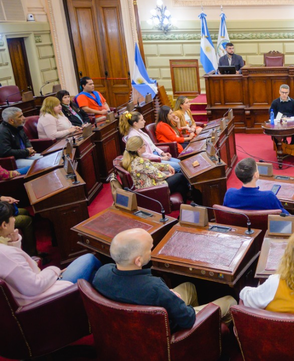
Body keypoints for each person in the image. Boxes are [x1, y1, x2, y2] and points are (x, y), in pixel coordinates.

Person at [93, 228, 236, 331]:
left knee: (189, 287)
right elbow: (188, 319)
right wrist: (175, 300)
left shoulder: (101, 274)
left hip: (126, 328)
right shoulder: (155, 288)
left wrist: (171, 298)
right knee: (230, 301)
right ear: (138, 261)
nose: (153, 249)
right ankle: (209, 340)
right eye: (150, 248)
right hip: (168, 332)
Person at [0, 201, 101, 307]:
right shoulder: (6, 255)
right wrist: (55, 270)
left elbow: (15, 267)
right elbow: (35, 286)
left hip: (37, 291)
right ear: (4, 225)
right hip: (45, 297)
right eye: (12, 217)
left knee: (93, 274)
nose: (14, 219)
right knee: (89, 258)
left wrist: (14, 242)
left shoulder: (5, 252)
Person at [121, 136, 193, 203]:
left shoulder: (131, 159)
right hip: (152, 189)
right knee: (180, 176)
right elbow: (157, 175)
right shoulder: (140, 161)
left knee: (180, 186)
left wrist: (166, 166)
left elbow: (151, 165)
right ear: (138, 149)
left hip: (147, 186)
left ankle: (185, 202)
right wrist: (168, 175)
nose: (145, 146)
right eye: (144, 145)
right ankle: (192, 196)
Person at [223, 158, 289, 214]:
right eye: (257, 169)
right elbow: (285, 215)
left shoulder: (229, 194)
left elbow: (225, 213)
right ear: (255, 175)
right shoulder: (268, 196)